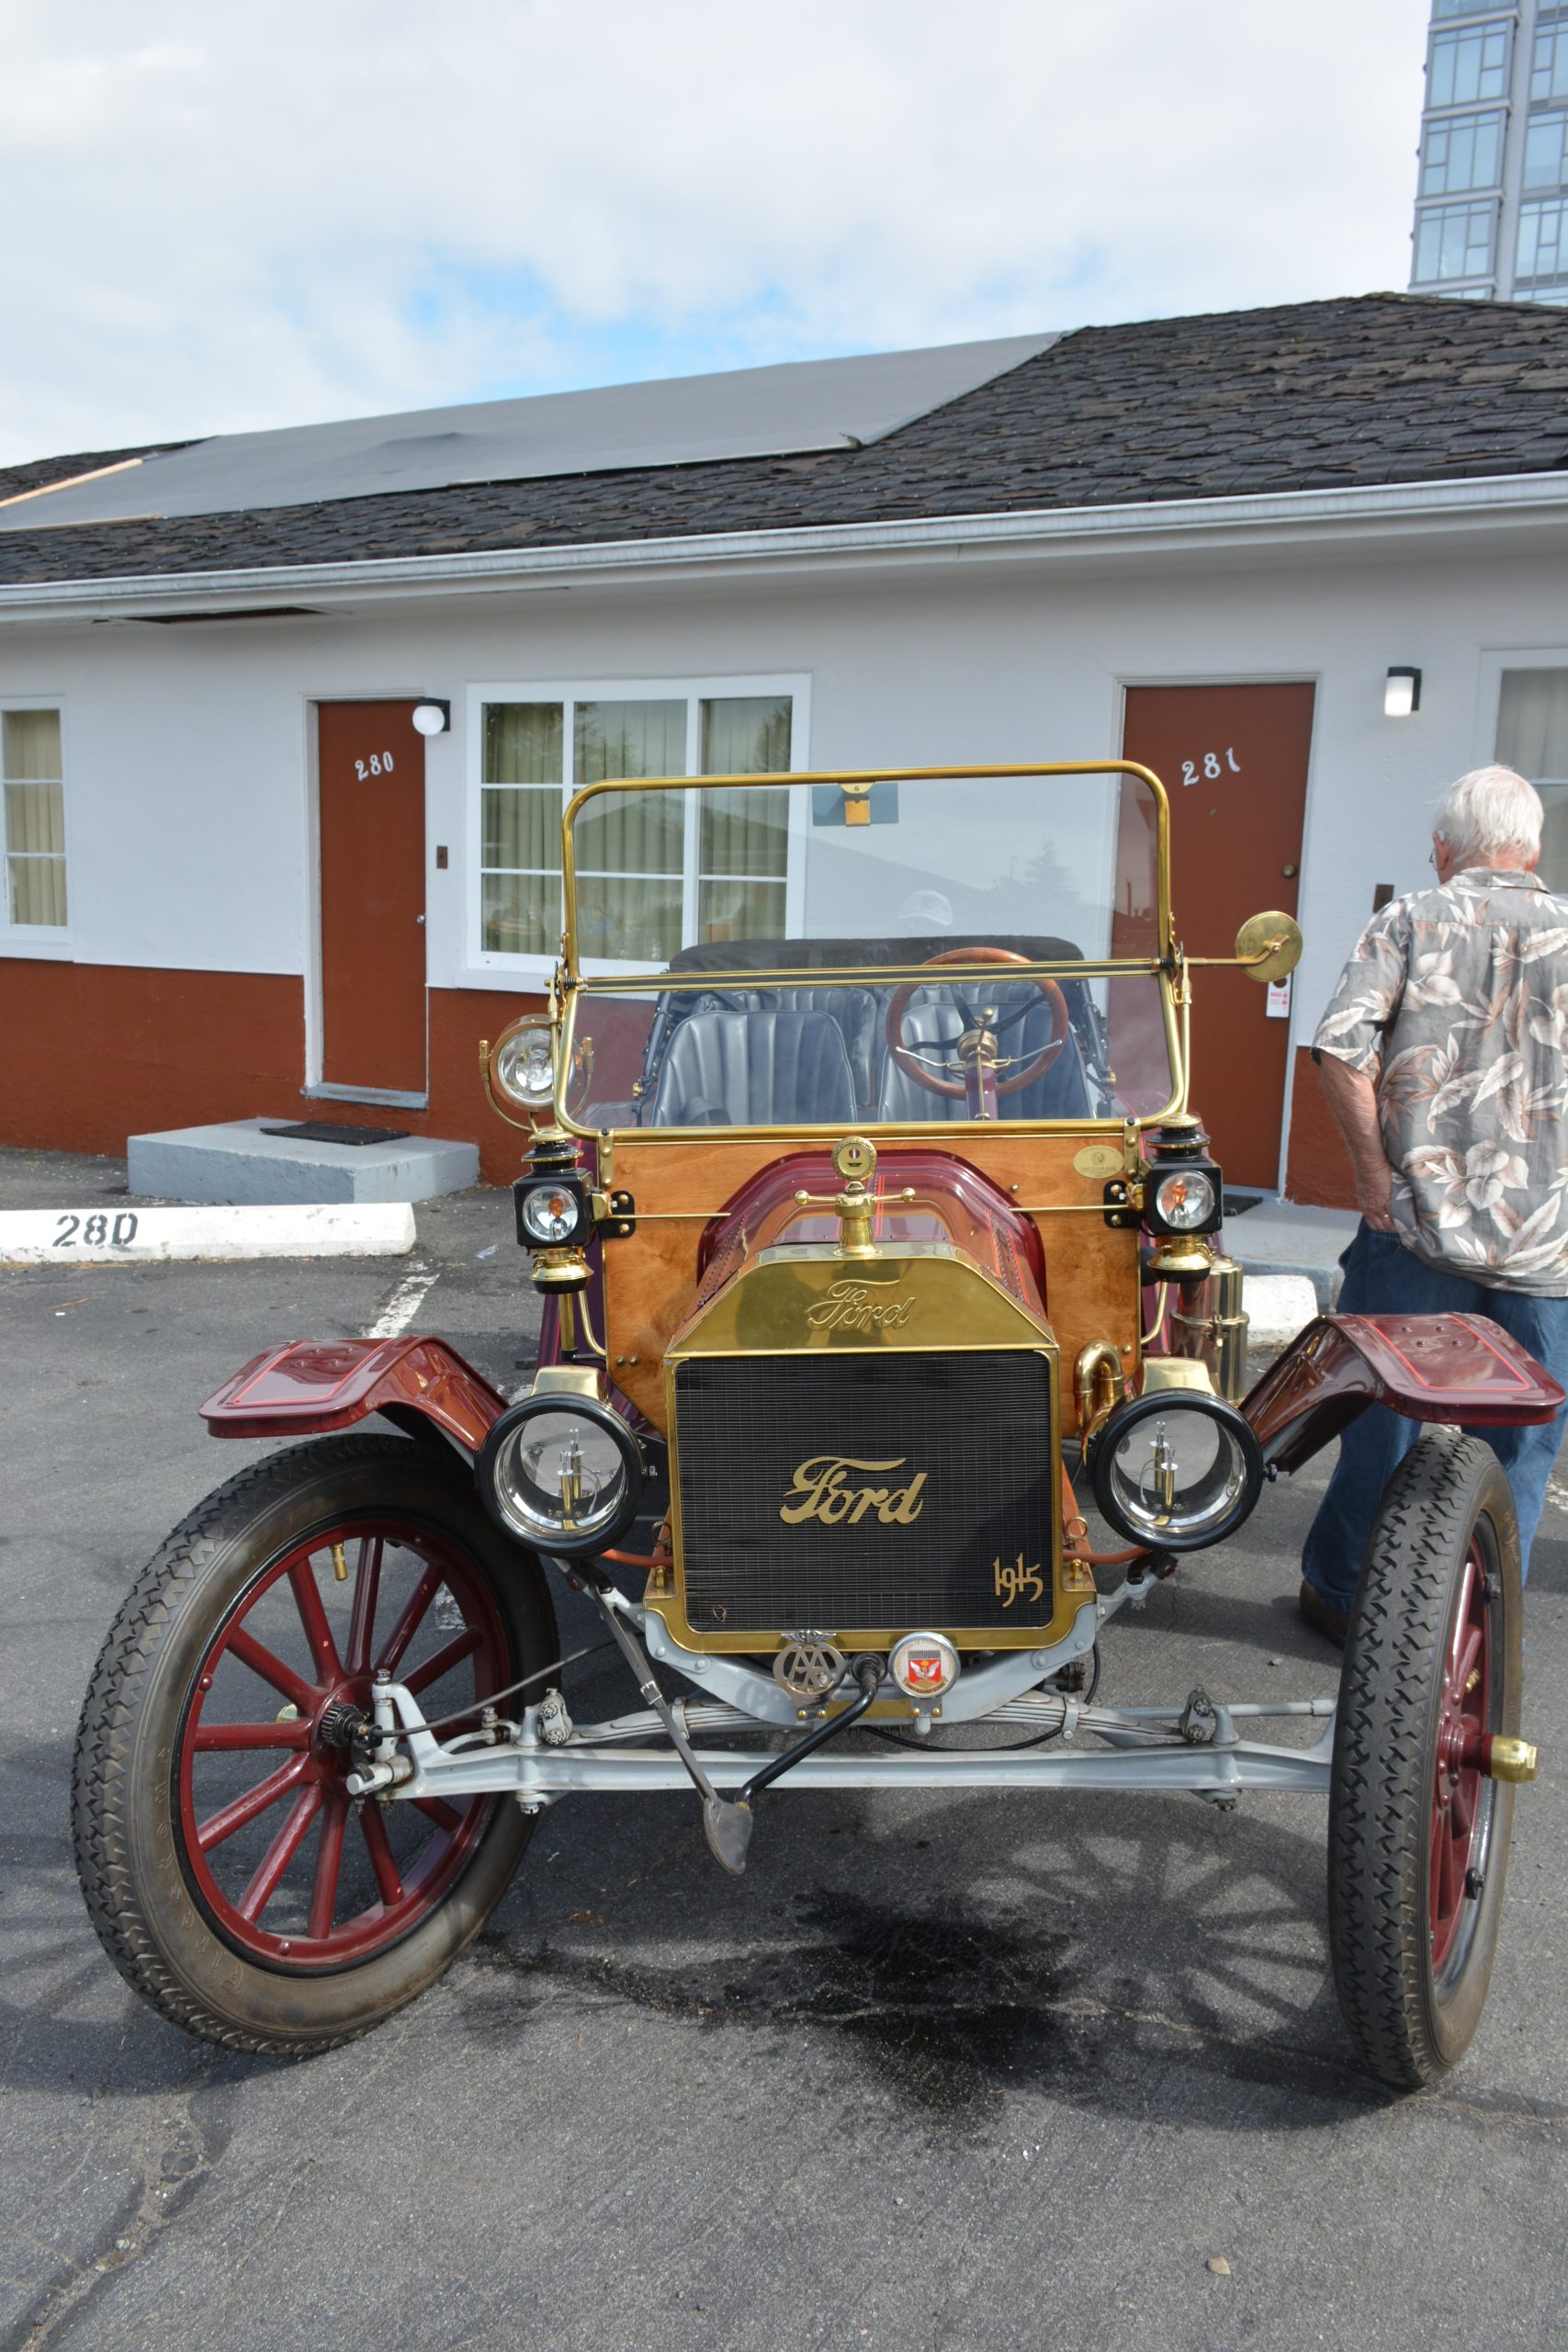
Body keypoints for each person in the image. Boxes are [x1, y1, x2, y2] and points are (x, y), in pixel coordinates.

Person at [1300, 763, 1568, 1644]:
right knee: (1519, 1446)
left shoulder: (1410, 918)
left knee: (1383, 1418)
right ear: (1531, 848)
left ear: (1442, 848)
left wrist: (1373, 1180)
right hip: (1549, 1248)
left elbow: (1339, 1049)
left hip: (1413, 1229)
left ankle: (1344, 1599)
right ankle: (1472, 1634)